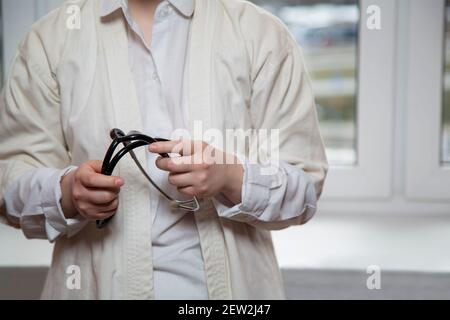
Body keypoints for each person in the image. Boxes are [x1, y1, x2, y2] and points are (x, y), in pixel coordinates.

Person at [0, 0, 328, 299]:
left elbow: (303, 187)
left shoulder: (262, 36)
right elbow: (9, 186)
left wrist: (231, 177)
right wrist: (67, 193)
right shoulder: (49, 42)